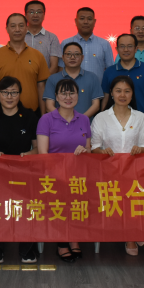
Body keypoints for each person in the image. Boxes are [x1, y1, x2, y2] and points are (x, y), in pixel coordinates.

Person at [0, 77, 40, 264]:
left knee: (27, 204)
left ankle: (27, 245)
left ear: (20, 94)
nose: (10, 96)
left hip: (24, 172)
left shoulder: (30, 116)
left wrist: (28, 155)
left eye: (14, 92)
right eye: (5, 92)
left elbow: (38, 148)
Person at [90, 76, 144, 256]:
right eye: (118, 91)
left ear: (132, 94)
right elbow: (94, 147)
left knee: (134, 191)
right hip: (108, 173)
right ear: (111, 93)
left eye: (127, 91)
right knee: (120, 192)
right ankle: (132, 234)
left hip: (135, 172)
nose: (122, 95)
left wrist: (140, 149)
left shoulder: (140, 117)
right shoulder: (101, 118)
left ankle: (132, 233)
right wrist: (102, 152)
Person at [37, 79, 91, 263]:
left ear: (78, 95)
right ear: (56, 96)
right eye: (63, 93)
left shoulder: (84, 119)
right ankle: (61, 242)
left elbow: (89, 149)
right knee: (60, 206)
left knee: (76, 206)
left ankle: (74, 238)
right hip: (54, 176)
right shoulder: (46, 119)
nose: (68, 97)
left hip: (78, 175)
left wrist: (85, 151)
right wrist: (58, 175)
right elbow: (43, 153)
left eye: (72, 93)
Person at [0, 13, 50, 113]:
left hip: (31, 115)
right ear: (7, 29)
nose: (17, 29)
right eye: (13, 26)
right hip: (2, 114)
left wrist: (43, 116)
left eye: (21, 26)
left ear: (27, 28)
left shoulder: (38, 56)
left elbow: (41, 88)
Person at [101, 34, 144, 121]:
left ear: (136, 49)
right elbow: (106, 99)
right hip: (114, 122)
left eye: (130, 46)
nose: (126, 50)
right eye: (122, 46)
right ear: (117, 49)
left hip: (143, 121)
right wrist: (103, 121)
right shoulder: (109, 71)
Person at [43, 42, 103, 118]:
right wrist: (64, 121)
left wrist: (80, 120)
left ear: (82, 57)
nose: (72, 57)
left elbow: (96, 105)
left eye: (77, 54)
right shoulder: (52, 79)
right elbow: (49, 106)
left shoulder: (92, 77)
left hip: (85, 123)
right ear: (63, 57)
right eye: (68, 54)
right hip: (59, 123)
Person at [62, 7, 114, 78]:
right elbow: (61, 69)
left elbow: (110, 70)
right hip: (71, 85)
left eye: (89, 19)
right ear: (76, 21)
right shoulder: (65, 43)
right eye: (82, 18)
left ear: (94, 22)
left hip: (97, 85)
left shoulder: (104, 44)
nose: (85, 22)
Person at [24, 0, 62, 72]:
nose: (35, 15)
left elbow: (54, 67)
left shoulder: (52, 38)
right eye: (31, 12)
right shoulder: (20, 36)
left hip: (45, 78)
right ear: (25, 15)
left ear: (44, 15)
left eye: (39, 12)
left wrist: (43, 79)